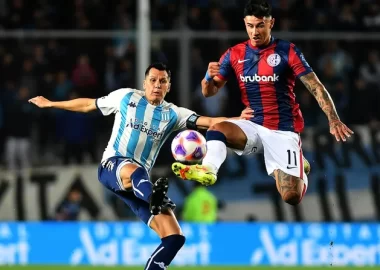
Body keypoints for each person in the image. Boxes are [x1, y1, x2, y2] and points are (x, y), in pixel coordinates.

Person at [29, 62, 249, 270]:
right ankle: (154, 196)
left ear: (168, 86)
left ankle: (153, 199)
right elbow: (88, 104)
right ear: (144, 83)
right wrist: (51, 103)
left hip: (140, 187)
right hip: (113, 166)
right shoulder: (126, 97)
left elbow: (210, 122)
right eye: (152, 80)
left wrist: (239, 120)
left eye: (162, 81)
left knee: (174, 238)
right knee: (136, 172)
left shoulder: (173, 114)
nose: (157, 85)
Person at [172, 0, 354, 206]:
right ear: (244, 24)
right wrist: (207, 78)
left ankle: (293, 165)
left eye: (260, 25)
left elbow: (315, 86)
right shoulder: (235, 54)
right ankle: (209, 169)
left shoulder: (287, 51)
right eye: (250, 26)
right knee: (218, 128)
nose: (255, 31)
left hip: (282, 129)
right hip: (252, 123)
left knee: (291, 197)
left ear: (271, 23)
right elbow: (209, 92)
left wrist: (333, 119)